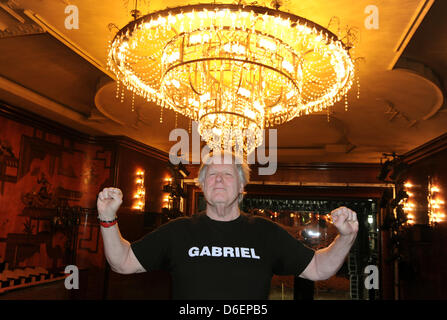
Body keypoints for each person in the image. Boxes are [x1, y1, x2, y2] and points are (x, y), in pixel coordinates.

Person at [97, 151, 358, 299]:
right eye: (212, 174)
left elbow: (318, 269)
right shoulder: (178, 231)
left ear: (242, 186)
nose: (219, 180)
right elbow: (123, 262)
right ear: (202, 185)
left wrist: (345, 238)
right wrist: (107, 219)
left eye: (227, 174)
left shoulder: (265, 232)